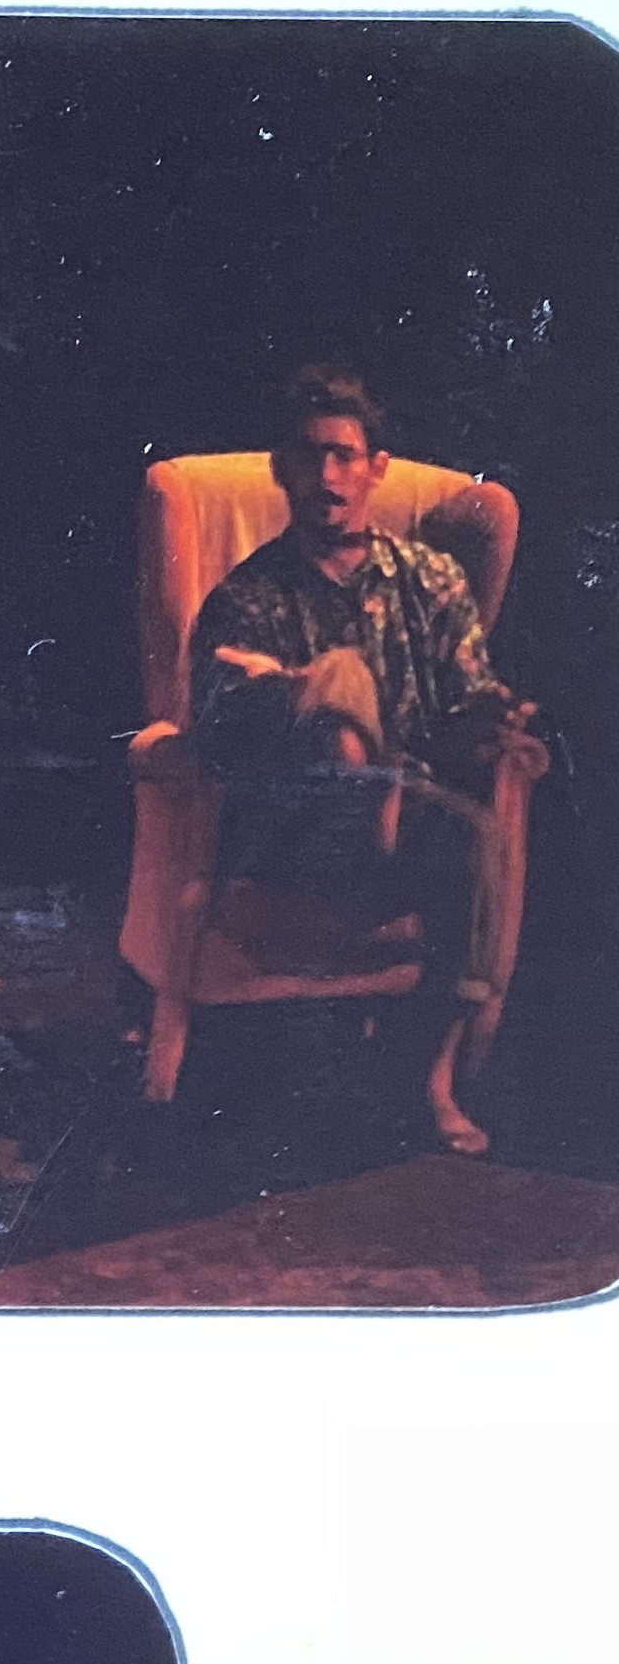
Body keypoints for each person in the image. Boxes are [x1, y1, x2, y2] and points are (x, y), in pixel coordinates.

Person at [188, 363, 541, 1157]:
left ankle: (433, 1079)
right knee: (336, 682)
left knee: (470, 833)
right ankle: (361, 775)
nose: (327, 475)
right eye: (309, 455)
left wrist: (497, 719)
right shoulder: (247, 597)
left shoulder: (430, 580)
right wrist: (300, 698)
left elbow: (464, 698)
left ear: (376, 468)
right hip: (293, 829)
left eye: (344, 455)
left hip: (409, 813)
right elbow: (215, 734)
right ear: (282, 469)